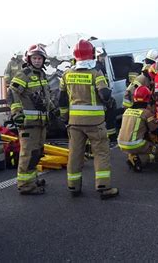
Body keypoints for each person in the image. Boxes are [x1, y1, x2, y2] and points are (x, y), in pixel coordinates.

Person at [59, 40, 118, 199]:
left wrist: (65, 118)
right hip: (95, 123)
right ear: (91, 54)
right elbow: (105, 95)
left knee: (75, 154)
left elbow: (62, 100)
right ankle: (103, 187)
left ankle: (73, 186)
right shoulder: (96, 73)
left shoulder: (66, 74)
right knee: (101, 153)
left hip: (75, 123)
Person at [8, 44, 51, 195]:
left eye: (40, 58)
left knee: (37, 153)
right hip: (28, 124)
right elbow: (12, 93)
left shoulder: (42, 75)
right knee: (28, 154)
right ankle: (25, 185)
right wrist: (16, 113)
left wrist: (54, 110)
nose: (38, 61)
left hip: (40, 123)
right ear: (29, 58)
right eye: (35, 58)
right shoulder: (24, 74)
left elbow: (46, 97)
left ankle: (32, 179)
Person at [118, 86, 158, 172]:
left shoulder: (127, 111)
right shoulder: (146, 113)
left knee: (143, 142)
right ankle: (139, 159)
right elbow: (155, 131)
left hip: (121, 144)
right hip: (137, 144)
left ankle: (132, 156)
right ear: (148, 98)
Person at [95, 47, 118, 145]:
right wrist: (106, 100)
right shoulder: (98, 67)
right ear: (97, 57)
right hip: (103, 97)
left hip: (105, 95)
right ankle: (111, 138)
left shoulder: (101, 66)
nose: (103, 58)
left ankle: (110, 137)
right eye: (101, 56)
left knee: (109, 118)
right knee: (109, 118)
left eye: (103, 56)